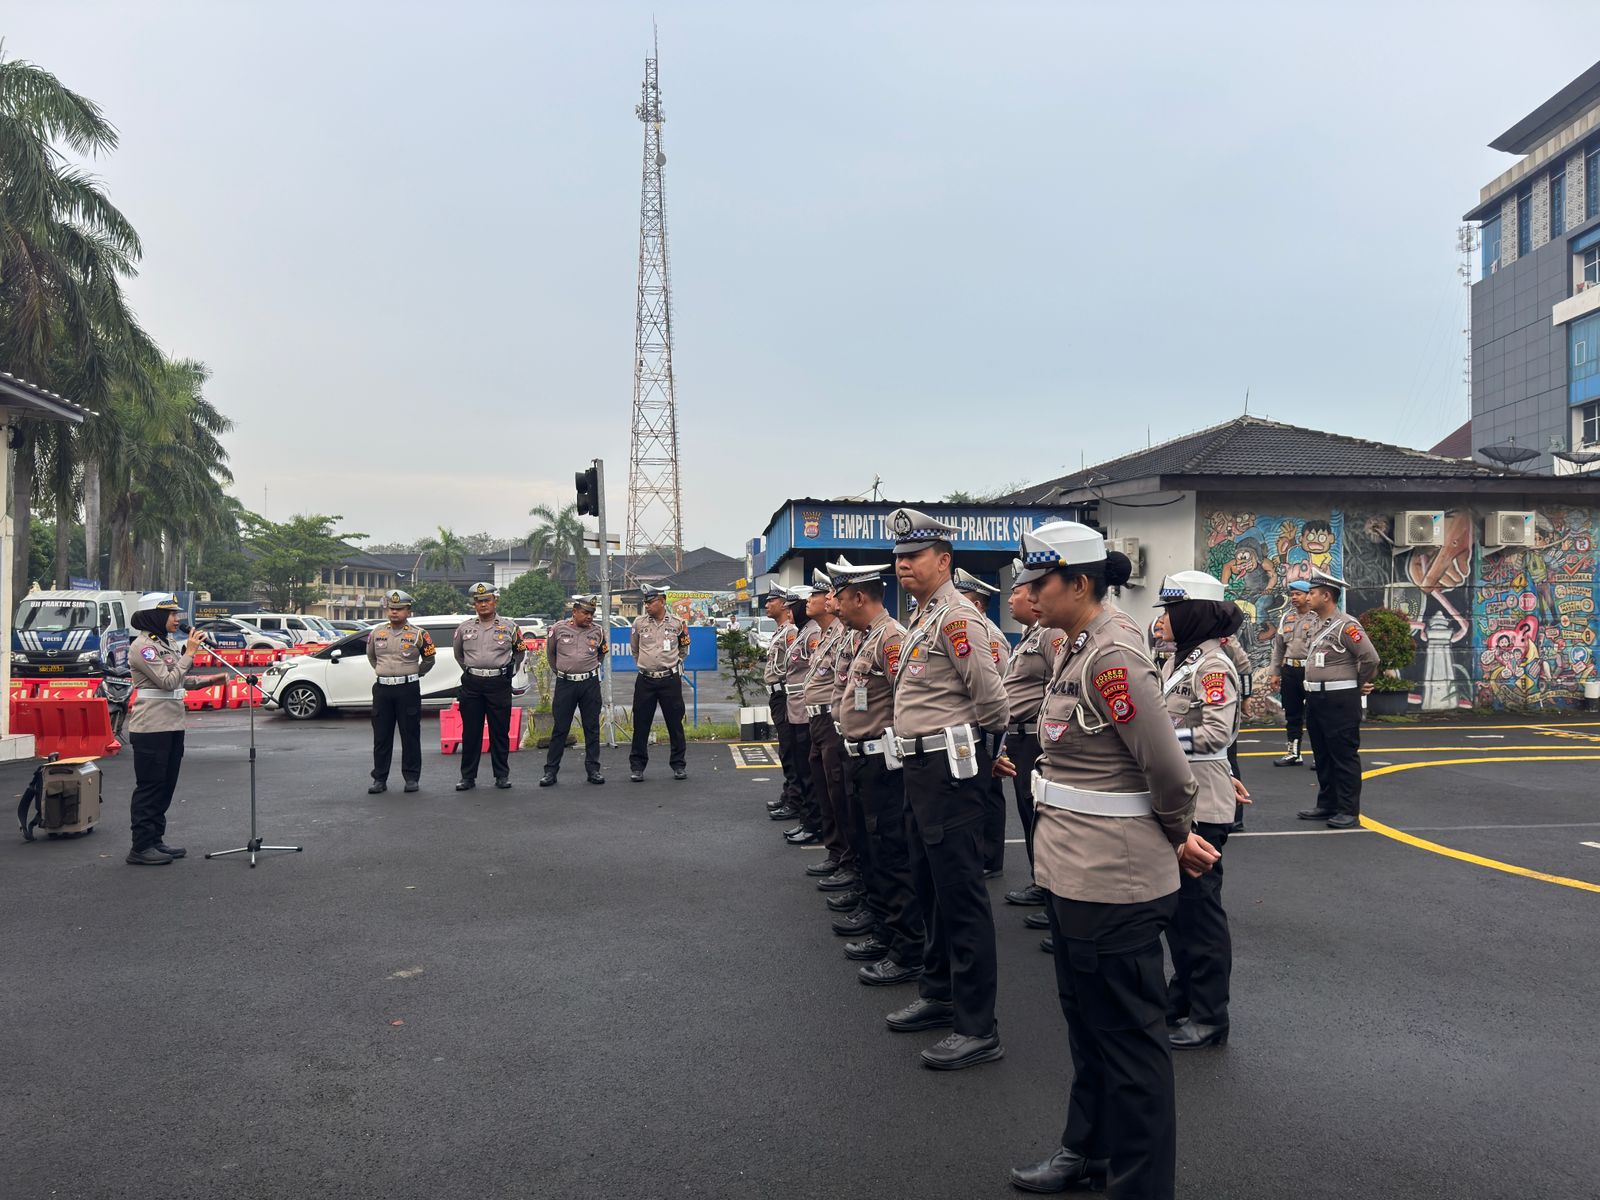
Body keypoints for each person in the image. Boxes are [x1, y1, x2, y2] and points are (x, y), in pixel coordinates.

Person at [1005, 521, 1217, 1199]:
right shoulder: (1075, 646)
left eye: (1039, 583)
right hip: (1071, 873)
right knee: (1088, 1028)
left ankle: (1140, 1186)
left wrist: (1178, 832)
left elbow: (1169, 771)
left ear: (1079, 583)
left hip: (1113, 882)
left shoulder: (1112, 657)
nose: (1028, 594)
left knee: (1130, 1047)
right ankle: (1088, 1150)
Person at [881, 508, 1010, 1072]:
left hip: (949, 772)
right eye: (899, 557)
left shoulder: (957, 620)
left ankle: (978, 1026)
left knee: (961, 897)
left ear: (944, 561)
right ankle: (939, 993)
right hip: (920, 769)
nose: (903, 564)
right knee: (930, 888)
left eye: (914, 556)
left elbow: (993, 701)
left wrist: (980, 759)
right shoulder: (924, 618)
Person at [1153, 571, 1244, 1052]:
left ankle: (1210, 1016)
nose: (1163, 620)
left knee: (1200, 914)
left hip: (1203, 802)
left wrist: (1154, 741)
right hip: (1182, 795)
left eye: (1171, 611)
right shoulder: (1181, 661)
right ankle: (1183, 997)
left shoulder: (1212, 667)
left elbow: (1215, 734)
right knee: (1179, 913)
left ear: (1193, 615)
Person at [829, 559, 928, 985]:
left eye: (839, 597)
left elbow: (906, 701)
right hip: (861, 759)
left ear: (859, 597)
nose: (834, 605)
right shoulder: (867, 637)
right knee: (871, 852)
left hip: (883, 764)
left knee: (891, 856)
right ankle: (885, 930)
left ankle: (907, 951)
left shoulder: (891, 639)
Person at [998, 563, 1061, 916]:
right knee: (1028, 814)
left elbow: (1060, 685)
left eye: (1017, 592)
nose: (1011, 599)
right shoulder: (1030, 635)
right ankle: (1042, 882)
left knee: (1041, 816)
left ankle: (1052, 892)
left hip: (1037, 738)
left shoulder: (1051, 635)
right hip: (1020, 737)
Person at [124, 592, 206, 865]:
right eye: (171, 614)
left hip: (172, 724)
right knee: (150, 786)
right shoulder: (143, 647)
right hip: (151, 727)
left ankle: (155, 840)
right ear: (155, 616)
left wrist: (208, 680)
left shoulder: (166, 643)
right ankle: (141, 846)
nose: (177, 619)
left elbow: (178, 680)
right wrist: (189, 653)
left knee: (166, 785)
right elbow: (168, 681)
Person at [1296, 571, 1379, 829]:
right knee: (1322, 754)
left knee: (1343, 755)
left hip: (1340, 699)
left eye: (1312, 593)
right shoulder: (1316, 623)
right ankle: (1327, 803)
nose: (1307, 597)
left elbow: (1370, 658)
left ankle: (1347, 810)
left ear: (1326, 596)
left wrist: (1357, 683)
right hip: (1316, 697)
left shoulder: (1346, 626)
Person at [800, 571, 858, 891]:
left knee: (840, 793)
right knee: (825, 790)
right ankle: (836, 852)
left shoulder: (844, 634)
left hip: (832, 722)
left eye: (817, 594)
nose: (809, 600)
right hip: (817, 721)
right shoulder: (825, 635)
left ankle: (848, 859)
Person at [954, 568, 1011, 878]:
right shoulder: (966, 628)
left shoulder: (989, 635)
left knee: (989, 791)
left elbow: (996, 684)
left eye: (961, 597)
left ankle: (991, 858)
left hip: (985, 724)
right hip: (968, 726)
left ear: (976, 604)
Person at [452, 582, 526, 792]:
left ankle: (501, 775)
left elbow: (519, 652)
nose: (482, 604)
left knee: (499, 731)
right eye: (478, 601)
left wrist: (508, 671)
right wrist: (473, 670)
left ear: (495, 601)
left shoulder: (510, 627)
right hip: (472, 684)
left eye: (486, 600)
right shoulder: (464, 628)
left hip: (498, 684)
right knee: (471, 732)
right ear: (474, 604)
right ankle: (468, 777)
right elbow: (459, 654)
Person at [366, 589, 437, 794]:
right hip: (383, 690)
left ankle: (412, 777)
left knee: (410, 734)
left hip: (408, 689)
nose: (394, 612)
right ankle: (379, 779)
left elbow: (429, 659)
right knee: (381, 736)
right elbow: (372, 657)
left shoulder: (419, 634)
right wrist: (385, 672)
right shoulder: (377, 632)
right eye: (391, 608)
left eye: (399, 609)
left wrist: (413, 673)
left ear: (408, 611)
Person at [541, 596, 609, 787]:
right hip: (566, 684)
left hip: (590, 684)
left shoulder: (598, 631)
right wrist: (562, 672)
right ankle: (550, 772)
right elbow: (551, 654)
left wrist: (588, 669)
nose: (589, 617)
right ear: (574, 612)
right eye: (585, 613)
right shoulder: (558, 629)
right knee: (560, 729)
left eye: (592, 613)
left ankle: (593, 770)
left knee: (592, 728)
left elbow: (601, 654)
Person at [629, 583, 690, 781]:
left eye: (651, 602)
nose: (647, 606)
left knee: (675, 724)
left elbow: (683, 650)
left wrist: (671, 665)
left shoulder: (678, 623)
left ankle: (678, 765)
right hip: (645, 680)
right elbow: (635, 649)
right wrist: (646, 665)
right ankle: (637, 767)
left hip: (669, 680)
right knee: (641, 724)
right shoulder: (639, 623)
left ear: (662, 602)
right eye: (645, 602)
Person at [762, 590, 804, 820]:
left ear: (784, 606)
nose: (767, 604)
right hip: (777, 695)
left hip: (786, 694)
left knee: (790, 748)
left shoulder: (791, 632)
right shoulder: (781, 631)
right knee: (786, 747)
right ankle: (790, 793)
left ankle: (795, 799)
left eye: (772, 601)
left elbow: (795, 669)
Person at [1268, 581, 1314, 766]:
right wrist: (1275, 673)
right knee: (1292, 713)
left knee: (1315, 714)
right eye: (1292, 594)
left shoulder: (1317, 618)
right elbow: (1279, 648)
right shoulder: (1287, 617)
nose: (1294, 597)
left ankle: (1320, 755)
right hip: (1290, 671)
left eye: (1298, 594)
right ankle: (1294, 753)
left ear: (1308, 595)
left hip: (1311, 671)